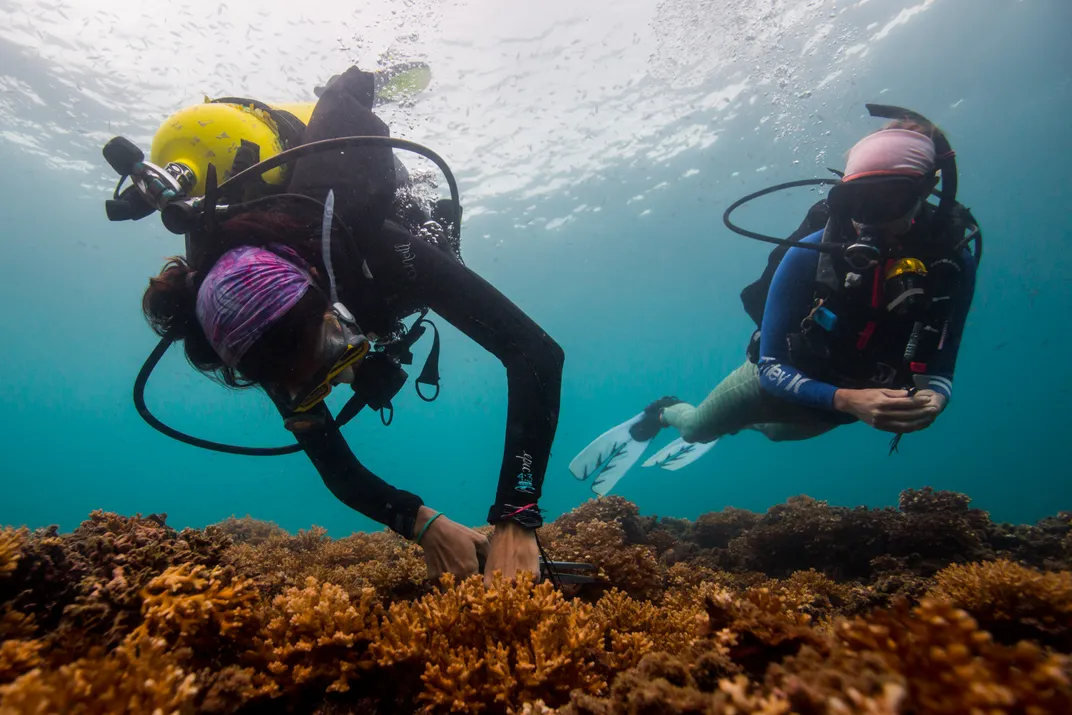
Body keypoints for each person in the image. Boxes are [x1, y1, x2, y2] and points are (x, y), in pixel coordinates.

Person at [130, 66, 564, 586]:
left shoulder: (381, 246)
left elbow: (535, 353)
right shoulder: (255, 337)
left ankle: (377, 71)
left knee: (429, 236)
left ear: (317, 285)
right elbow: (334, 465)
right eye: (311, 386)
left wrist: (517, 513)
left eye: (337, 349)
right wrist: (420, 522)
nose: (334, 382)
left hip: (366, 239)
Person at [570, 107, 979, 495]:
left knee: (776, 433)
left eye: (889, 200)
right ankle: (664, 411)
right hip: (787, 380)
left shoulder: (952, 259)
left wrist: (935, 399)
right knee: (697, 428)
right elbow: (770, 369)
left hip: (845, 402)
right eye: (855, 201)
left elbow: (943, 361)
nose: (867, 220)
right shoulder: (810, 252)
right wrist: (847, 399)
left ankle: (741, 423)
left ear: (928, 188)